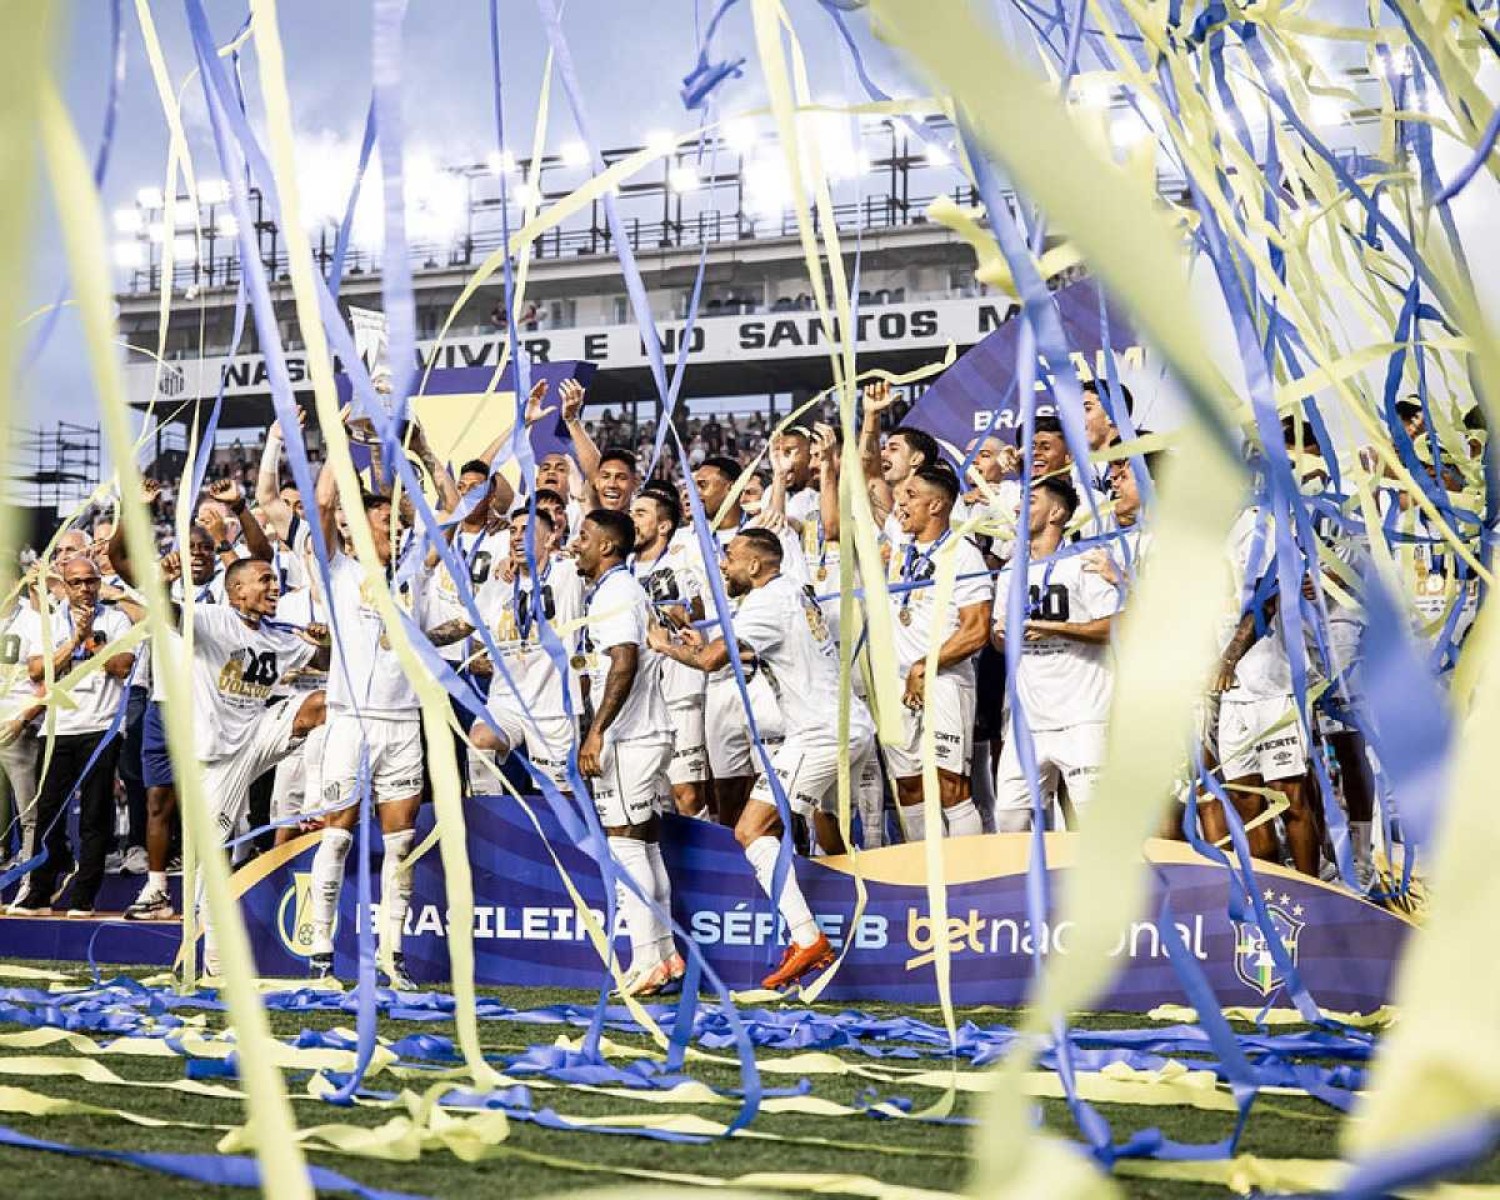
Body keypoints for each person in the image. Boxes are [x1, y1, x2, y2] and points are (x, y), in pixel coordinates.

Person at [650, 527, 875, 989]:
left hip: (819, 733)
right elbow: (749, 655)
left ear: (755, 565)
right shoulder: (795, 589)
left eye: (729, 558)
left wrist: (664, 647)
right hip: (847, 725)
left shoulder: (765, 602)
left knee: (751, 830)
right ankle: (876, 933)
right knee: (828, 832)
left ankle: (808, 937)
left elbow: (715, 662)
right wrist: (700, 644)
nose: (724, 567)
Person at [158, 555, 328, 968]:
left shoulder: (278, 634)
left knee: (324, 705)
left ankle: (322, 797)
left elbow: (324, 664)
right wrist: (163, 583)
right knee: (214, 856)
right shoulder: (214, 620)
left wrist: (324, 643)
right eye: (265, 580)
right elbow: (168, 614)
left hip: (256, 736)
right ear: (237, 590)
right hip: (215, 756)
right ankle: (210, 953)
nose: (275, 587)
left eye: (275, 579)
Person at [306, 471, 430, 988]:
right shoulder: (338, 570)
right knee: (336, 838)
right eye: (385, 523)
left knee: (402, 844)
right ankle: (319, 954)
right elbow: (321, 503)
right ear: (354, 530)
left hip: (403, 723)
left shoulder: (416, 571)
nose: (395, 531)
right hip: (351, 720)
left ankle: (392, 956)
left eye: (398, 524)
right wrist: (338, 438)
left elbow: (447, 507)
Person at [570, 509, 681, 997]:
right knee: (646, 844)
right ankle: (665, 956)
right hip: (645, 732)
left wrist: (597, 731)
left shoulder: (616, 591)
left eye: (584, 537)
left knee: (625, 846)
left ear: (608, 548)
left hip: (631, 736)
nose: (576, 543)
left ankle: (645, 961)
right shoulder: (621, 589)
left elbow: (624, 661)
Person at [7, 555, 136, 915]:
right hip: (57, 727)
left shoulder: (116, 618)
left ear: (99, 582)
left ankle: (84, 895)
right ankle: (39, 891)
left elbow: (122, 666)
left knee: (96, 814)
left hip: (101, 726)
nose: (84, 589)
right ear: (63, 585)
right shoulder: (48, 623)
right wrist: (74, 639)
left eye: (90, 581)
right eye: (76, 582)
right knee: (47, 811)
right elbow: (36, 671)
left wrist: (91, 642)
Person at [992, 478, 1120, 831]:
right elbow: (999, 642)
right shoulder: (1009, 571)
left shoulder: (1085, 563)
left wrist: (1055, 628)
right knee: (1008, 817)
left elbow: (1115, 627)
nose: (1017, 509)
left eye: (1030, 501)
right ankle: (1029, 886)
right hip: (1029, 718)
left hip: (1082, 714)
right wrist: (1003, 634)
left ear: (1057, 513)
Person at [1207, 499, 1321, 875]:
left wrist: (1229, 657)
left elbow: (1270, 595)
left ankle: (1311, 896)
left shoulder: (1260, 526)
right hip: (1231, 693)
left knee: (1290, 798)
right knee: (1246, 801)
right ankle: (1273, 896)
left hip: (1273, 684)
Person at [886, 466, 992, 839]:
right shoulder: (902, 550)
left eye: (911, 495)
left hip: (943, 681)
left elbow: (977, 630)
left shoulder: (962, 554)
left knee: (950, 786)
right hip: (897, 684)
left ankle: (970, 881)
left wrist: (924, 666)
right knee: (909, 787)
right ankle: (922, 876)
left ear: (936, 505)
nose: (901, 501)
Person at [453, 506, 585, 796]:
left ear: (550, 538)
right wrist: (419, 637)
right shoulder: (498, 584)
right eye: (512, 530)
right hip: (507, 701)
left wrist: (566, 550)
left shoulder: (569, 574)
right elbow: (466, 628)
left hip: (553, 708)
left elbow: (591, 553)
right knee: (479, 742)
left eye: (525, 531)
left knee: (558, 800)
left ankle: (559, 840)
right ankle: (493, 829)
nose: (515, 537)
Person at [630, 487, 710, 820]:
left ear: (663, 526)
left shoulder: (683, 556)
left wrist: (687, 614)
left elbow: (702, 607)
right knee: (652, 796)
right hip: (640, 695)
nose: (631, 520)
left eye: (640, 513)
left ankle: (703, 869)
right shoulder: (622, 567)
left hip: (681, 689)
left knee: (687, 795)